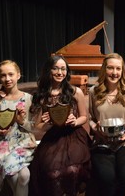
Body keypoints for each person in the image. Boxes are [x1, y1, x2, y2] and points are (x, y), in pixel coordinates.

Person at [29, 55, 91, 196]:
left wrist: (75, 121)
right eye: (55, 68)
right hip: (53, 137)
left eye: (63, 69)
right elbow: (37, 126)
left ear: (67, 71)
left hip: (74, 135)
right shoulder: (42, 95)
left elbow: (84, 117)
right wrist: (46, 123)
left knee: (73, 169)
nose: (59, 72)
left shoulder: (75, 92)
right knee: (52, 172)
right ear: (48, 71)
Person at [0, 60, 36, 196]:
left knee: (24, 176)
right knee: (22, 177)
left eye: (11, 74)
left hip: (24, 144)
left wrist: (23, 122)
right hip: (2, 145)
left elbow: (34, 127)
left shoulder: (29, 99)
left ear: (18, 75)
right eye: (3, 75)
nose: (7, 79)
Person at [87, 53, 125, 196]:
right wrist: (96, 129)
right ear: (104, 69)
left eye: (118, 69)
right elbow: (90, 118)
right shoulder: (94, 91)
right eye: (110, 68)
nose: (114, 73)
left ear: (122, 71)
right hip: (101, 142)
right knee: (105, 179)